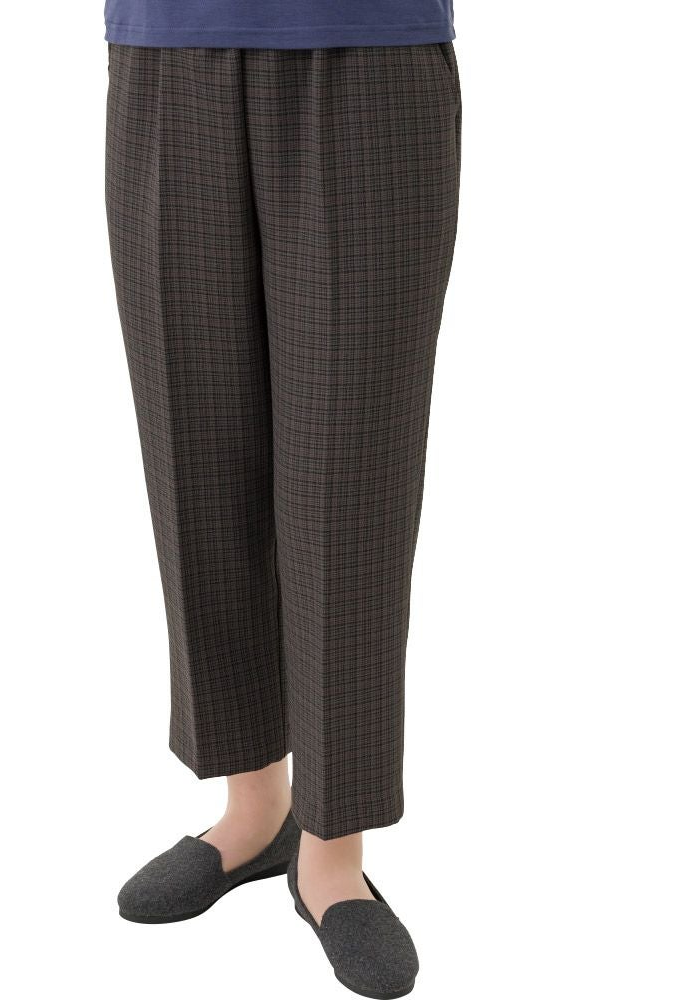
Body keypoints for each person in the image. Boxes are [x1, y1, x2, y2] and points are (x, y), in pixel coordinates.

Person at [104, 3, 461, 996]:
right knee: (196, 452)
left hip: (365, 51)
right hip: (164, 48)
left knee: (349, 481)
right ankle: (253, 809)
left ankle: (332, 855)